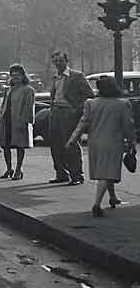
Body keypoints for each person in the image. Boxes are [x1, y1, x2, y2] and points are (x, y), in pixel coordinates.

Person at [66, 76, 135, 217]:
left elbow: (83, 123)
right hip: (113, 142)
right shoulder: (123, 104)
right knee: (107, 173)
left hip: (95, 142)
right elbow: (128, 125)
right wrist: (131, 142)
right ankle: (96, 204)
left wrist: (73, 139)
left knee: (105, 171)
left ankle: (113, 197)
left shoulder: (91, 103)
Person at [48, 51, 93, 186]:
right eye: (55, 61)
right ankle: (61, 173)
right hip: (55, 112)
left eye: (61, 61)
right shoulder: (55, 77)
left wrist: (75, 111)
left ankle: (77, 175)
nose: (58, 64)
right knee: (55, 144)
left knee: (71, 143)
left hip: (68, 112)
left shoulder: (77, 76)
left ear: (66, 61)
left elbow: (89, 94)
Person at [0, 64, 35, 180]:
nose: (15, 78)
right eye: (13, 76)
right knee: (5, 145)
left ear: (23, 76)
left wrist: (25, 121)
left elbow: (29, 107)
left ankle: (18, 169)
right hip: (7, 120)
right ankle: (9, 168)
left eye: (18, 75)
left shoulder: (27, 90)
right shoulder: (8, 89)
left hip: (19, 121)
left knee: (20, 146)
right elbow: (4, 104)